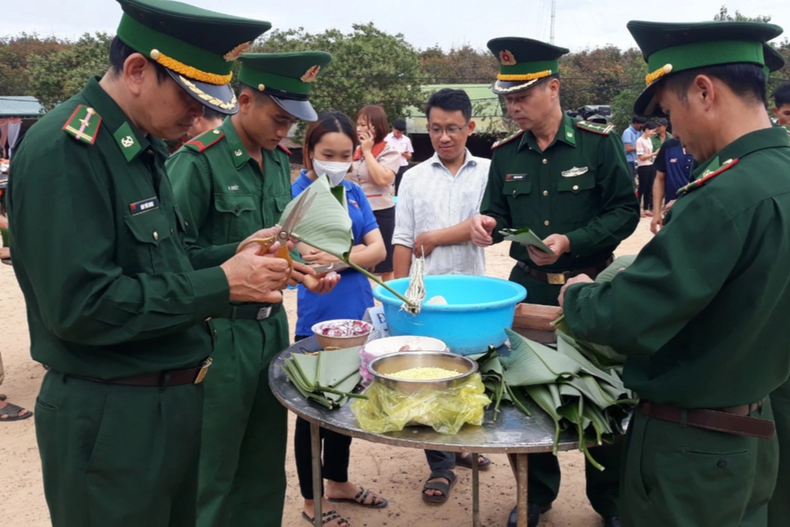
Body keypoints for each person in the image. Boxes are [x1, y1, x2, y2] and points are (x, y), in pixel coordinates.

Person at [3, 1, 300, 525]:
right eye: (190, 96)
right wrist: (221, 285)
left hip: (167, 403)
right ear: (138, 70)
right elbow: (81, 306)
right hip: (112, 415)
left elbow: (164, 261)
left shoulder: (141, 147)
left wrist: (234, 256)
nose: (199, 113)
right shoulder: (68, 150)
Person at [559, 20, 790, 527]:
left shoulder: (724, 197)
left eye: (669, 112)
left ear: (704, 92)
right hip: (760, 431)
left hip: (693, 449)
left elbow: (624, 319)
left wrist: (579, 296)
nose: (673, 133)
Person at [470, 37, 639, 527]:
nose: (513, 107)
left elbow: (626, 211)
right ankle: (535, 496)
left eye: (522, 96)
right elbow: (495, 213)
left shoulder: (597, 142)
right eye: (508, 99)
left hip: (589, 287)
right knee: (525, 397)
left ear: (554, 88)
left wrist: (573, 240)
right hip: (529, 290)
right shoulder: (505, 155)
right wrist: (485, 225)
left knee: (603, 393)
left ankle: (610, 503)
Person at [167, 52, 339, 527]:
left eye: (293, 122)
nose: (286, 131)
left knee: (264, 465)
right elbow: (169, 260)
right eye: (278, 118)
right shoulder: (197, 163)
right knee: (213, 468)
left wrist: (305, 270)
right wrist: (233, 258)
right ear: (243, 101)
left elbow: (275, 244)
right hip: (217, 337)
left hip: (269, 332)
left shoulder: (276, 162)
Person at [392, 88, 492, 503]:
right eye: (435, 129)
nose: (444, 137)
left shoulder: (490, 171)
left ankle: (463, 445)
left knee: (468, 371)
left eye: (453, 128)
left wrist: (435, 237)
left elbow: (489, 224)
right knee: (430, 376)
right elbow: (402, 240)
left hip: (472, 292)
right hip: (426, 295)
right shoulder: (413, 177)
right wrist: (398, 299)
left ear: (470, 127)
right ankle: (441, 465)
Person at [292, 112, 388, 527]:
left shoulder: (353, 192)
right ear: (310, 152)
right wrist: (346, 256)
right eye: (327, 153)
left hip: (357, 312)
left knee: (347, 402)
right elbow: (303, 258)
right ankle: (312, 498)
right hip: (319, 316)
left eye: (345, 155)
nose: (336, 161)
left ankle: (338, 482)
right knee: (313, 408)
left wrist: (338, 257)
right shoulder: (298, 192)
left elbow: (379, 249)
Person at [347, 105, 400, 282]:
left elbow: (382, 179)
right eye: (358, 124)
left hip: (380, 212)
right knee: (357, 261)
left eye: (364, 125)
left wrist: (368, 152)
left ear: (377, 127)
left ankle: (389, 304)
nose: (359, 129)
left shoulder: (389, 151)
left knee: (386, 266)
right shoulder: (355, 151)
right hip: (356, 213)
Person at [650, 132, 693, 234]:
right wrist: (656, 213)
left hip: (696, 210)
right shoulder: (669, 146)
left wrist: (682, 200)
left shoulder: (706, 146)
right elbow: (660, 179)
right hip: (671, 212)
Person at [385, 118, 413, 195]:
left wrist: (406, 154)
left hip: (402, 166)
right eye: (397, 132)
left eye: (401, 133)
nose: (399, 134)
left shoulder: (406, 140)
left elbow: (410, 155)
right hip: (388, 166)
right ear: (393, 128)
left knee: (401, 188)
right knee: (387, 187)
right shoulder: (386, 139)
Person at [636, 121, 658, 216]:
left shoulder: (648, 140)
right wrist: (654, 154)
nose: (653, 133)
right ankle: (637, 208)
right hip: (643, 166)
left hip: (650, 165)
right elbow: (641, 156)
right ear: (647, 130)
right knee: (642, 187)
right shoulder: (639, 141)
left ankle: (646, 208)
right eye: (653, 131)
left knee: (649, 187)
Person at [622, 115, 646, 180]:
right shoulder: (628, 132)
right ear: (635, 123)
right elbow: (628, 148)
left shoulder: (639, 132)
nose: (641, 127)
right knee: (630, 180)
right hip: (629, 161)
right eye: (640, 126)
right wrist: (639, 146)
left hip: (637, 160)